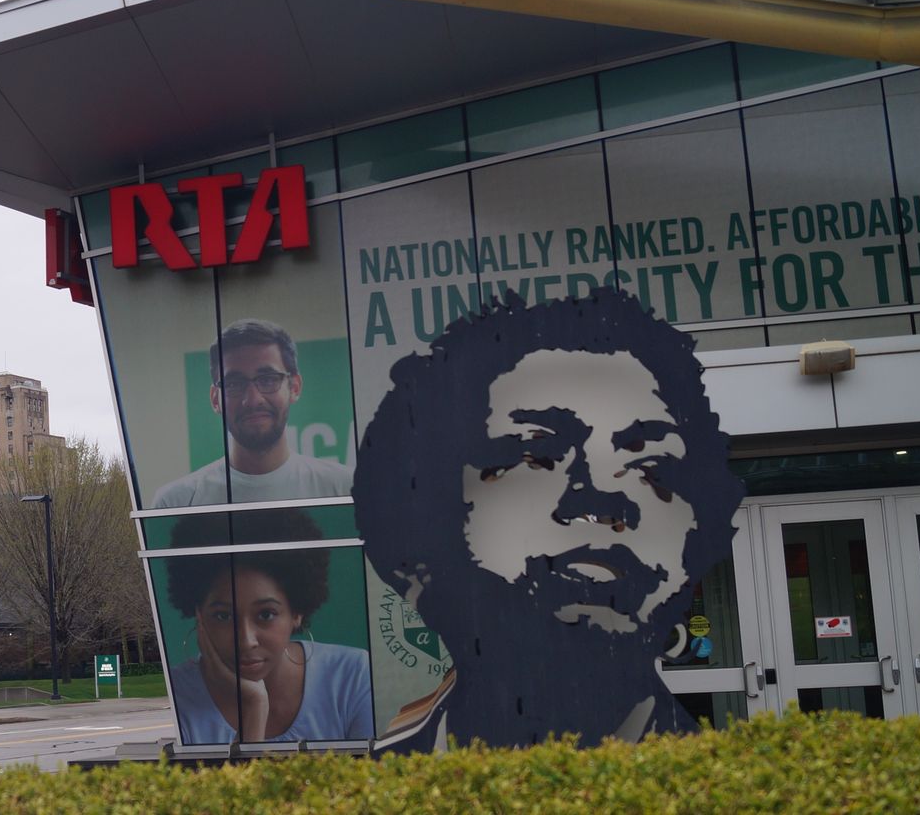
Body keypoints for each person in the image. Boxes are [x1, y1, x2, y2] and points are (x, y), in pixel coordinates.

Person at [353, 288, 744, 752]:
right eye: (535, 455)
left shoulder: (728, 784)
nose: (604, 495)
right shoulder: (386, 780)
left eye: (651, 467)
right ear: (419, 546)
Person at [162, 509, 374, 744]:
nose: (246, 641)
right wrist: (254, 709)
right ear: (199, 615)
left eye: (265, 614)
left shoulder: (353, 676)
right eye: (223, 616)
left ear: (297, 612)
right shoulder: (180, 693)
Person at [151, 319, 351, 507]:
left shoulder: (346, 489)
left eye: (268, 380)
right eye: (234, 384)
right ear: (215, 399)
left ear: (295, 387)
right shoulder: (176, 503)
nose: (253, 399)